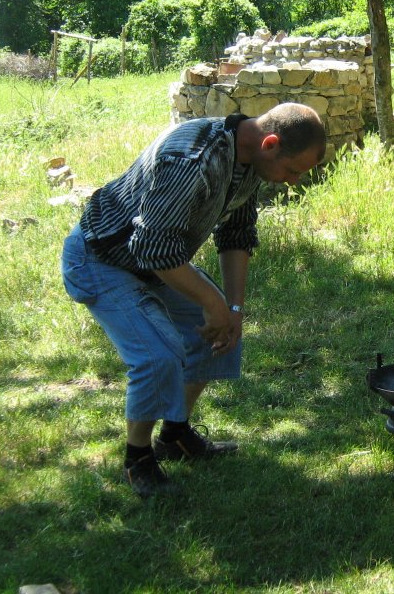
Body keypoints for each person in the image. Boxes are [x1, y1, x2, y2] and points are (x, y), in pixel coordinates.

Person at [61, 102, 326, 497]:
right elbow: (152, 248)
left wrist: (232, 309)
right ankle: (138, 459)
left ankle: (174, 436)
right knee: (158, 355)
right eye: (292, 171)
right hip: (101, 260)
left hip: (157, 262)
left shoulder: (249, 160)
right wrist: (213, 304)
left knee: (217, 334)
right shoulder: (192, 160)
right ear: (270, 144)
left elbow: (236, 234)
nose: (292, 181)